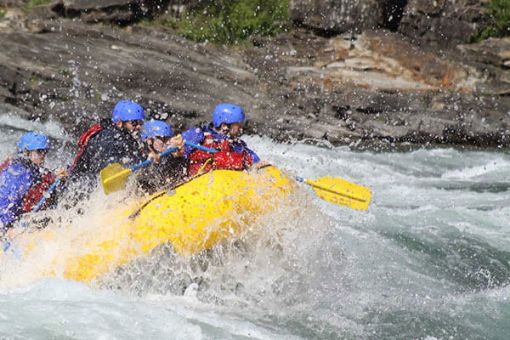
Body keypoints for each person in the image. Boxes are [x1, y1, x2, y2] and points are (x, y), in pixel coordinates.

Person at [0, 132, 58, 231]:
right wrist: (7, 228)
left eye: (45, 151)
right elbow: (5, 203)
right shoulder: (19, 174)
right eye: (39, 151)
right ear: (26, 153)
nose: (43, 155)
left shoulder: (30, 169)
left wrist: (57, 176)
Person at [183, 103, 261, 176]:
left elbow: (255, 161)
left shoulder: (236, 144)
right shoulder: (196, 135)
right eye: (238, 125)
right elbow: (178, 155)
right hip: (197, 183)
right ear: (224, 126)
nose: (241, 129)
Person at [137, 120, 187, 193]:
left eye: (168, 138)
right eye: (162, 139)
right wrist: (154, 164)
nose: (167, 143)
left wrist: (179, 155)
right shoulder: (141, 160)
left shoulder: (171, 154)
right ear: (149, 141)